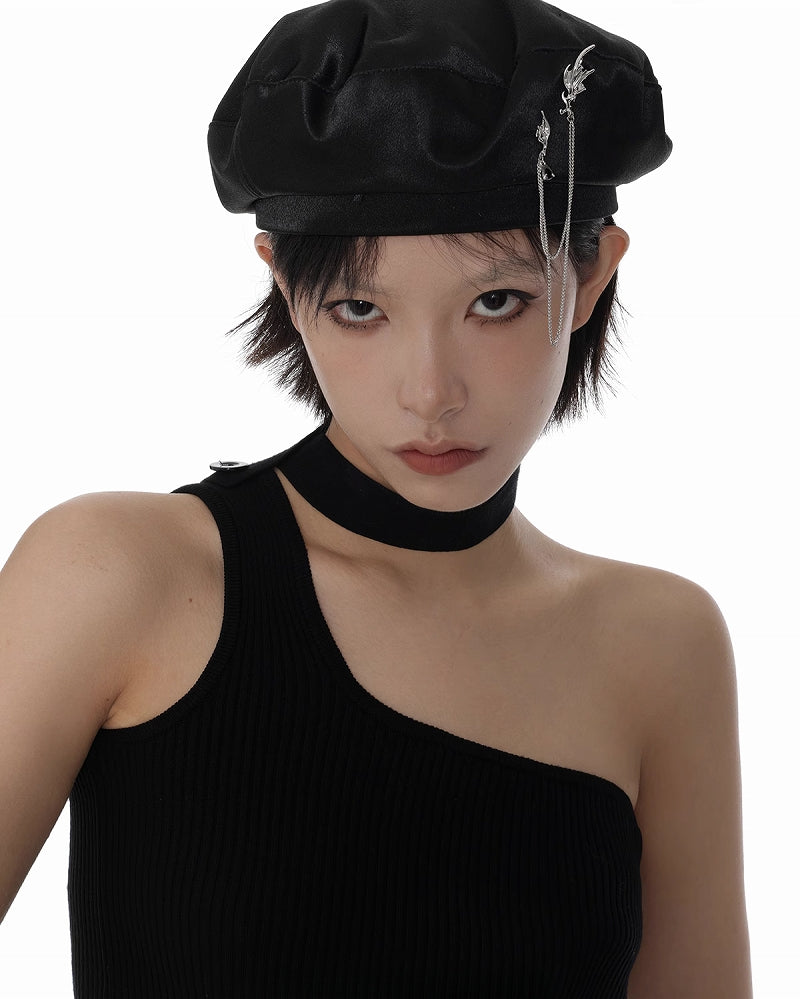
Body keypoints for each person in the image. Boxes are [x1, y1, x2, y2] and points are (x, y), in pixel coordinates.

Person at [0, 0, 752, 995]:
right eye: (360, 308)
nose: (429, 393)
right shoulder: (118, 572)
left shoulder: (661, 643)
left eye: (495, 302)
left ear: (591, 275)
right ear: (283, 284)